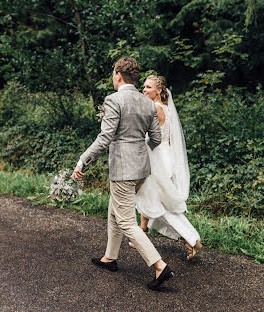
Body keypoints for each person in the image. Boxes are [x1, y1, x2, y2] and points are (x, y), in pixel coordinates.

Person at [71, 57, 174, 290]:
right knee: (114, 209)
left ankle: (159, 266)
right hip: (141, 170)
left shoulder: (114, 100)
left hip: (124, 171)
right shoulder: (147, 102)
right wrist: (136, 144)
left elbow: (105, 137)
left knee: (127, 221)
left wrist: (82, 161)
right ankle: (110, 257)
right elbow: (156, 139)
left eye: (113, 73)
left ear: (118, 74)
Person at [133, 75, 202, 260]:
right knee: (147, 196)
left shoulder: (155, 108)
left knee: (156, 203)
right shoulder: (166, 109)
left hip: (155, 157)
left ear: (159, 91)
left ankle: (189, 238)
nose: (144, 89)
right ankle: (143, 233)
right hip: (163, 156)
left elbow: (147, 136)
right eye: (144, 86)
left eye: (148, 87)